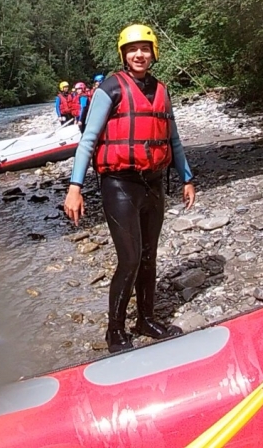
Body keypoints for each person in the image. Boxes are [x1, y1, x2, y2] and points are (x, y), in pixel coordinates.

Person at [64, 24, 196, 353]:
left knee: (149, 256)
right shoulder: (111, 88)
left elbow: (173, 140)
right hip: (119, 184)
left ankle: (145, 319)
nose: (140, 54)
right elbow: (88, 141)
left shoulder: (162, 91)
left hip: (152, 183)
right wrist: (74, 187)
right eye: (133, 49)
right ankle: (115, 330)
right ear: (124, 54)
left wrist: (186, 177)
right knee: (130, 258)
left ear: (154, 53)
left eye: (145, 48)